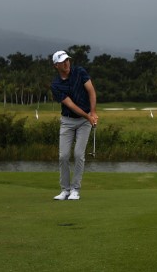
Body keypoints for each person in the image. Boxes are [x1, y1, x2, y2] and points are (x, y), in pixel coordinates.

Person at [50, 50, 98, 201]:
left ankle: (75, 189)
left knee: (78, 154)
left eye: (67, 60)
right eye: (63, 61)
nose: (66, 63)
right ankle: (65, 190)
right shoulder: (56, 85)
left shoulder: (80, 72)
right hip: (68, 121)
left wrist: (93, 112)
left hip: (84, 122)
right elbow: (70, 104)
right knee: (63, 156)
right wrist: (88, 116)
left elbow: (91, 91)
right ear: (56, 65)